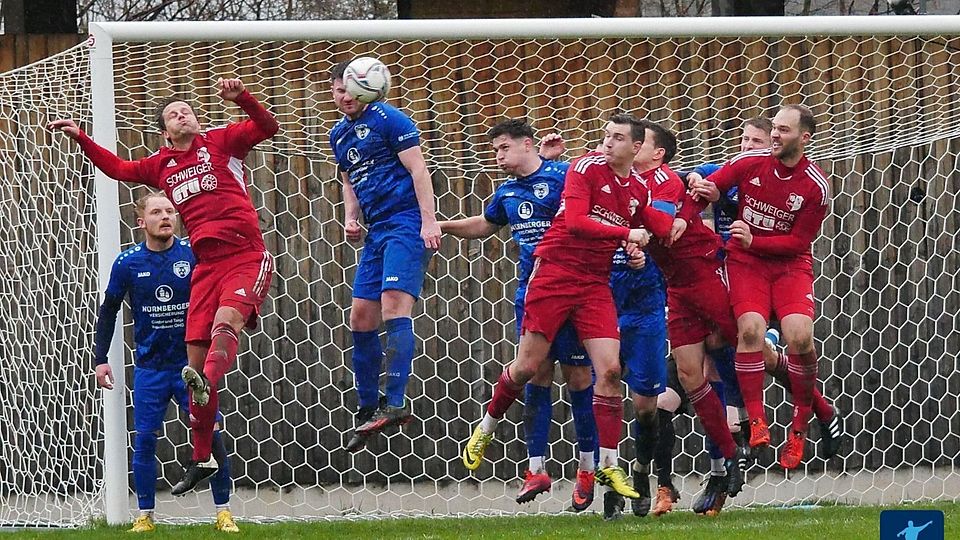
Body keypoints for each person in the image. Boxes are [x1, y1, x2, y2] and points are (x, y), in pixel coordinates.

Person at [49, 77, 279, 494]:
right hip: (206, 266)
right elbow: (118, 169)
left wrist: (242, 98)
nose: (182, 114)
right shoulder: (160, 165)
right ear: (164, 132)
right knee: (193, 361)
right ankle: (201, 455)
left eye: (187, 109)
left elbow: (268, 127)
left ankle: (204, 382)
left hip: (245, 254)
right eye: (173, 114)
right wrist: (82, 137)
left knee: (223, 327)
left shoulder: (222, 142)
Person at [462, 113, 673, 510]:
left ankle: (608, 464)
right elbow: (576, 222)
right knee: (527, 368)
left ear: (636, 147)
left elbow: (655, 223)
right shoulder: (585, 167)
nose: (607, 142)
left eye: (617, 138)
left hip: (594, 285)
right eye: (605, 135)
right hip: (554, 274)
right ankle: (486, 427)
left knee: (608, 371)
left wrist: (678, 214)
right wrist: (626, 234)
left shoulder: (639, 190)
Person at [438, 119, 597, 509]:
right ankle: (536, 468)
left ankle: (587, 470)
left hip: (574, 288)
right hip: (531, 292)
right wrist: (441, 224)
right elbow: (484, 225)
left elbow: (592, 187)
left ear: (528, 145)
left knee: (579, 377)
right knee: (535, 373)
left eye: (504, 148)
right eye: (495, 150)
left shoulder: (562, 174)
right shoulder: (506, 191)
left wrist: (560, 158)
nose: (498, 156)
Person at [684, 118, 845, 461]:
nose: (772, 136)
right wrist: (687, 208)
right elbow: (699, 182)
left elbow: (799, 242)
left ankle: (801, 424)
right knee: (744, 334)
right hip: (742, 265)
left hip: (786, 266)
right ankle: (753, 421)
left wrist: (754, 238)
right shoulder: (742, 164)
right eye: (771, 129)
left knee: (799, 337)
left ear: (804, 137)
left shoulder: (815, 185)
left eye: (781, 130)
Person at [93, 192, 237, 533]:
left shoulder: (193, 254)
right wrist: (101, 360)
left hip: (192, 366)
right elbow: (108, 311)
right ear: (141, 221)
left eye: (170, 211)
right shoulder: (128, 263)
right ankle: (146, 516)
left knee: (211, 433)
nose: (166, 216)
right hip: (149, 369)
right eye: (157, 212)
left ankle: (224, 513)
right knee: (144, 439)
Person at [625, 120, 746, 518]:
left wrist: (698, 181)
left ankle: (726, 463)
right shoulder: (629, 185)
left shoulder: (676, 184)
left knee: (725, 369)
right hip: (674, 306)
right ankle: (662, 483)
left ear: (657, 152)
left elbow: (712, 174)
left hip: (721, 305)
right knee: (663, 400)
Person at [328, 60, 442, 452]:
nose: (344, 97)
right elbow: (348, 179)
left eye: (350, 89)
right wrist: (350, 216)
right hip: (376, 232)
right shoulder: (338, 135)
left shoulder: (390, 119)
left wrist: (428, 222)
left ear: (367, 88)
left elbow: (419, 171)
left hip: (405, 223)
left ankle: (395, 401)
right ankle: (367, 406)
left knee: (394, 307)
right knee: (360, 315)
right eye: (338, 90)